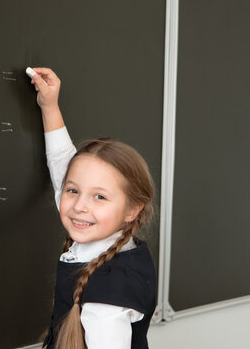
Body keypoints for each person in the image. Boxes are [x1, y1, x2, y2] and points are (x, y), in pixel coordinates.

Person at [29, 68, 157, 349]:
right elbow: (63, 162)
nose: (79, 206)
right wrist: (50, 106)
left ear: (132, 209)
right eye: (72, 191)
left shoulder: (107, 303)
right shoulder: (121, 247)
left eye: (99, 197)